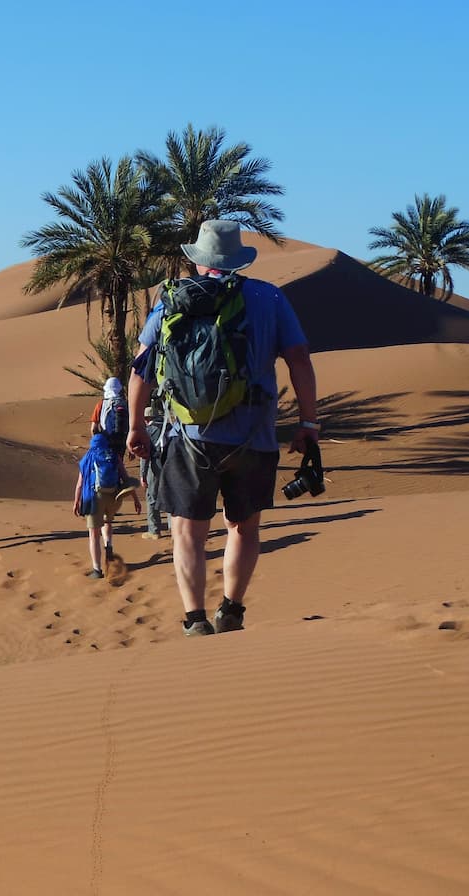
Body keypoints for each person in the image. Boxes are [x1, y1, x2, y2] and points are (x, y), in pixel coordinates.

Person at [126, 220, 319, 636]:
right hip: (254, 436)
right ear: (239, 261)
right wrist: (308, 422)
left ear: (198, 261)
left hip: (188, 436)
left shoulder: (171, 300)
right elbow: (299, 358)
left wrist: (135, 425)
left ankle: (194, 619)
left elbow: (140, 368)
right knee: (244, 528)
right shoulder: (268, 297)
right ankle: (231, 610)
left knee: (187, 532)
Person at [73, 432, 142, 578]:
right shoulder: (114, 455)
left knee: (93, 533)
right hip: (113, 498)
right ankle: (109, 545)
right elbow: (126, 478)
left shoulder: (87, 458)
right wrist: (135, 499)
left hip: (94, 498)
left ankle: (97, 570)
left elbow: (80, 485)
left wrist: (76, 502)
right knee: (107, 522)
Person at [139, 401, 165, 540]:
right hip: (171, 464)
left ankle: (154, 530)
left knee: (152, 497)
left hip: (155, 465)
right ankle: (175, 529)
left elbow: (144, 456)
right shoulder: (168, 427)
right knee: (171, 497)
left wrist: (142, 475)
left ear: (146, 419)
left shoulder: (148, 432)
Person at [91, 377, 127, 448]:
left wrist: (96, 444)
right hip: (121, 442)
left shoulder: (101, 404)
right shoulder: (125, 404)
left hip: (105, 441)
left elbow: (93, 429)